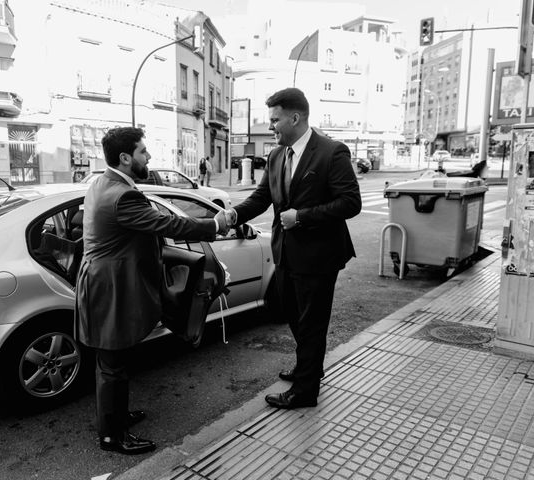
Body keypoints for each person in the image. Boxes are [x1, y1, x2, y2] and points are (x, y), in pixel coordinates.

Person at [75, 127, 229, 455]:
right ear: (125, 157)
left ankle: (116, 416)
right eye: (144, 152)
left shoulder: (104, 183)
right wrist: (214, 224)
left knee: (114, 361)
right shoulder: (122, 195)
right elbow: (168, 224)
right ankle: (112, 436)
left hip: (105, 284)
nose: (149, 157)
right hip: (109, 289)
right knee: (112, 363)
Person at [225, 88, 361, 409]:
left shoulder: (331, 152)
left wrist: (301, 217)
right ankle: (308, 368)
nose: (271, 126)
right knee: (293, 315)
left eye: (275, 120)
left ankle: (305, 391)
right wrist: (234, 214)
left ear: (295, 117)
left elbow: (350, 203)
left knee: (312, 323)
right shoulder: (275, 155)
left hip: (318, 256)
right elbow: (261, 198)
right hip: (284, 252)